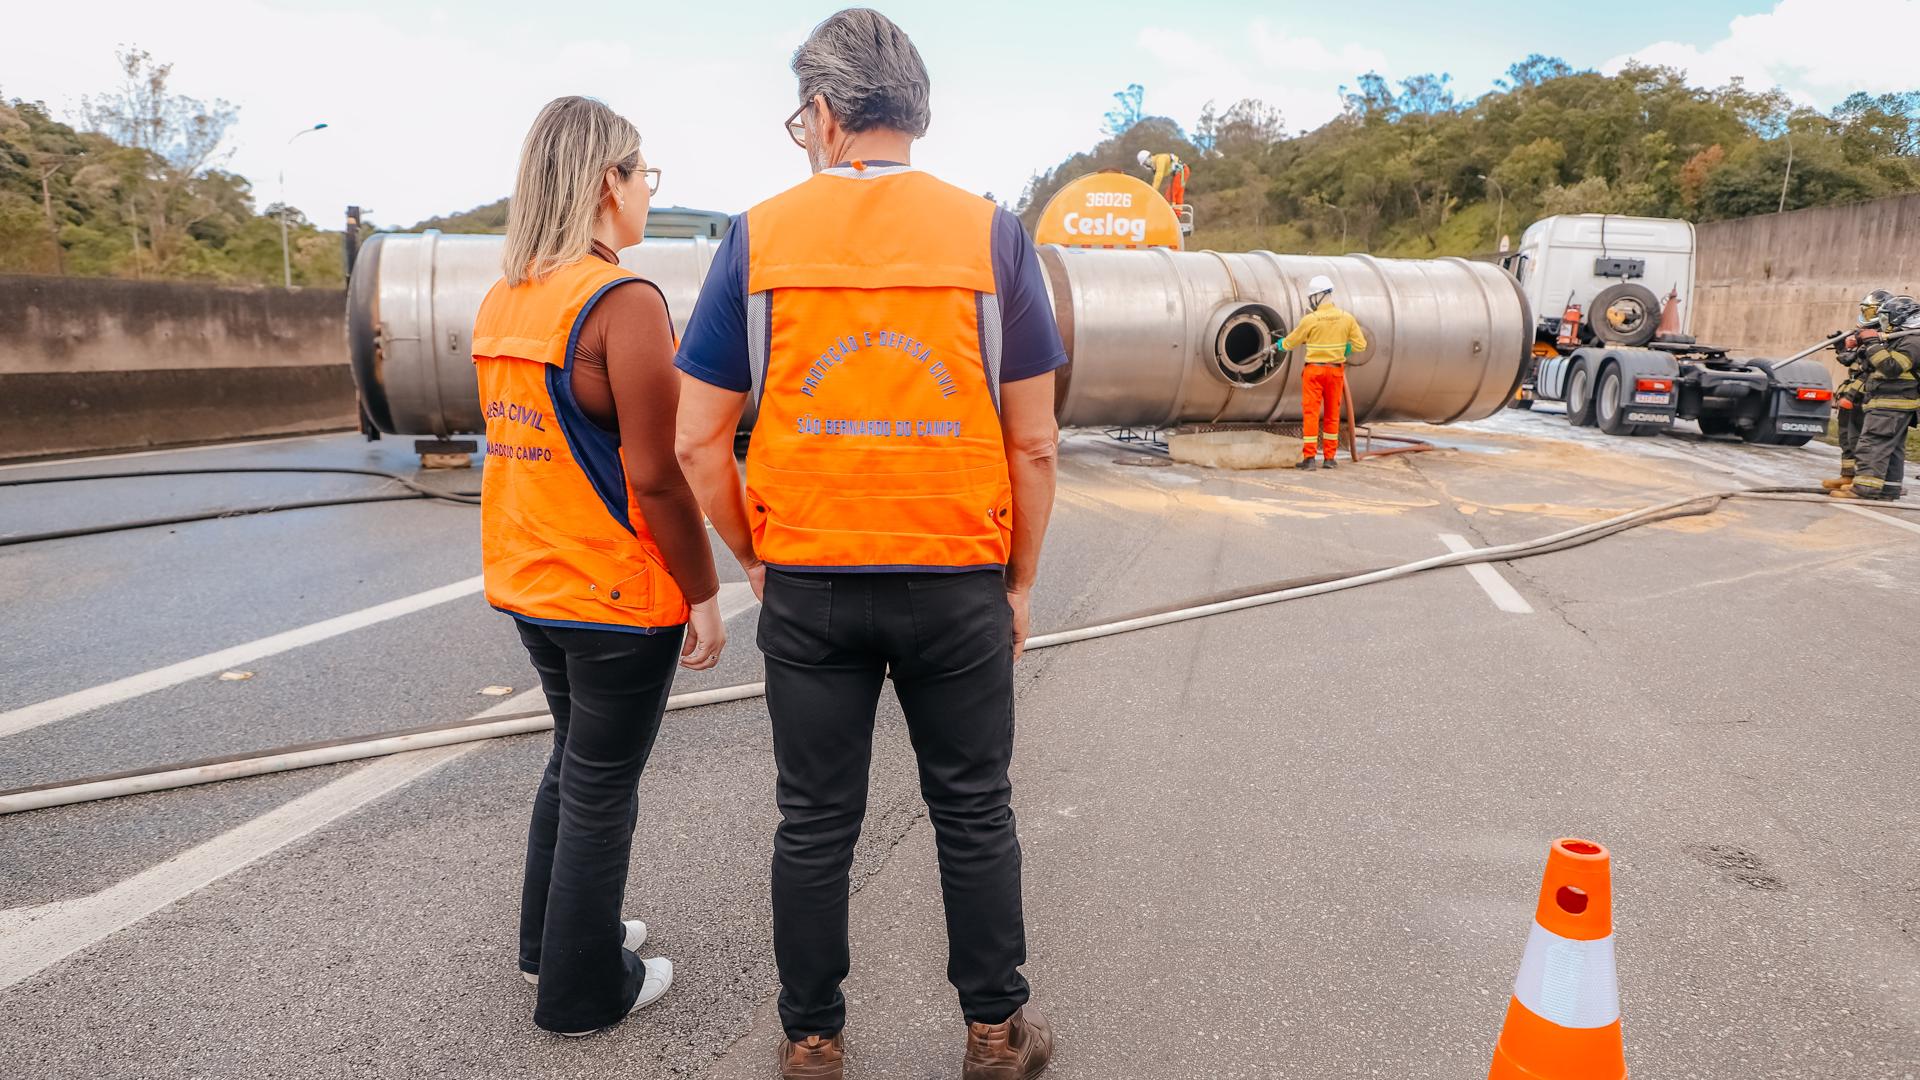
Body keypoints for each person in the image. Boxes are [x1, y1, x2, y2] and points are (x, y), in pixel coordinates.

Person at [673, 11, 1065, 1079]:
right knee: (974, 809)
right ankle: (994, 1033)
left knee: (813, 822)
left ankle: (812, 1043)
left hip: (810, 580)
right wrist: (1019, 580)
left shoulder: (757, 236)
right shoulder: (992, 236)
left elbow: (698, 439)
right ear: (915, 111)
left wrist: (757, 556)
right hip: (956, 578)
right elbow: (1032, 443)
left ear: (828, 112)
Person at [470, 95, 727, 1037]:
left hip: (531, 583)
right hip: (616, 596)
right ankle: (582, 990)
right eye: (641, 172)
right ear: (605, 182)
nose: (647, 191)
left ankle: (551, 939)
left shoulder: (508, 297)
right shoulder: (623, 302)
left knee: (573, 765)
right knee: (602, 788)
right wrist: (703, 595)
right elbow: (658, 478)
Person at [1836, 293, 1920, 501]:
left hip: (1892, 404)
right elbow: (1871, 365)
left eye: (1885, 318)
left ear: (1901, 318)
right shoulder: (1903, 338)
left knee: (1873, 445)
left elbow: (1892, 368)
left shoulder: (1913, 341)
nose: (1883, 324)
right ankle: (1888, 489)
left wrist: (1872, 343)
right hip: (1891, 404)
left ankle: (1865, 489)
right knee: (1891, 449)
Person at [1280, 274, 1369, 469]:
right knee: (1332, 414)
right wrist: (1345, 349)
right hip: (1336, 372)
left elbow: (1290, 342)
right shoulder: (1347, 318)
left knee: (1311, 413)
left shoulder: (1310, 319)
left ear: (1317, 297)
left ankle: (1310, 458)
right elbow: (1361, 344)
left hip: (1314, 372)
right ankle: (1330, 458)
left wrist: (1280, 344)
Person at [1824, 290, 1892, 492]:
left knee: (1863, 438)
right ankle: (1847, 475)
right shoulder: (1863, 334)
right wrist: (1841, 347)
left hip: (1866, 393)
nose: (1866, 316)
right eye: (1865, 310)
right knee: (1847, 436)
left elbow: (1874, 365)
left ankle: (1860, 480)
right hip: (1852, 391)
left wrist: (1865, 343)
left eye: (1871, 312)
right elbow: (1850, 360)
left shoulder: (1885, 336)